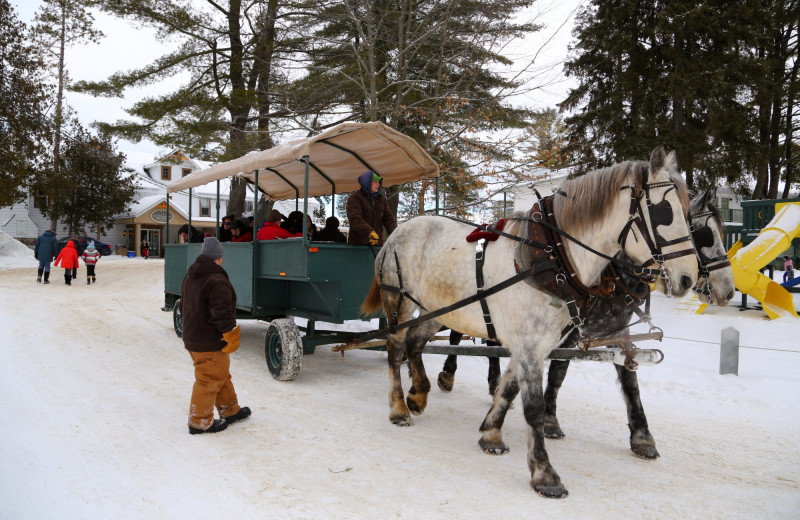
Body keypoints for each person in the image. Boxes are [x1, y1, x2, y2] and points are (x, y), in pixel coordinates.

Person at [180, 237, 251, 434]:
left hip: (194, 337)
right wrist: (230, 333)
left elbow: (184, 306)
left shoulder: (191, 276)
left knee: (220, 374)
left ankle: (230, 411)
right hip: (208, 339)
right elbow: (222, 312)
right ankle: (199, 421)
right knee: (209, 379)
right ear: (218, 258)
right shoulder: (216, 279)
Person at [347, 170, 397, 245]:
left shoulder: (382, 200)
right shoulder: (355, 198)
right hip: (358, 246)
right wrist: (370, 232)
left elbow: (389, 220)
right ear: (367, 182)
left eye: (379, 182)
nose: (378, 184)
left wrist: (397, 233)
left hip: (377, 245)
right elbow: (355, 219)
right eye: (376, 182)